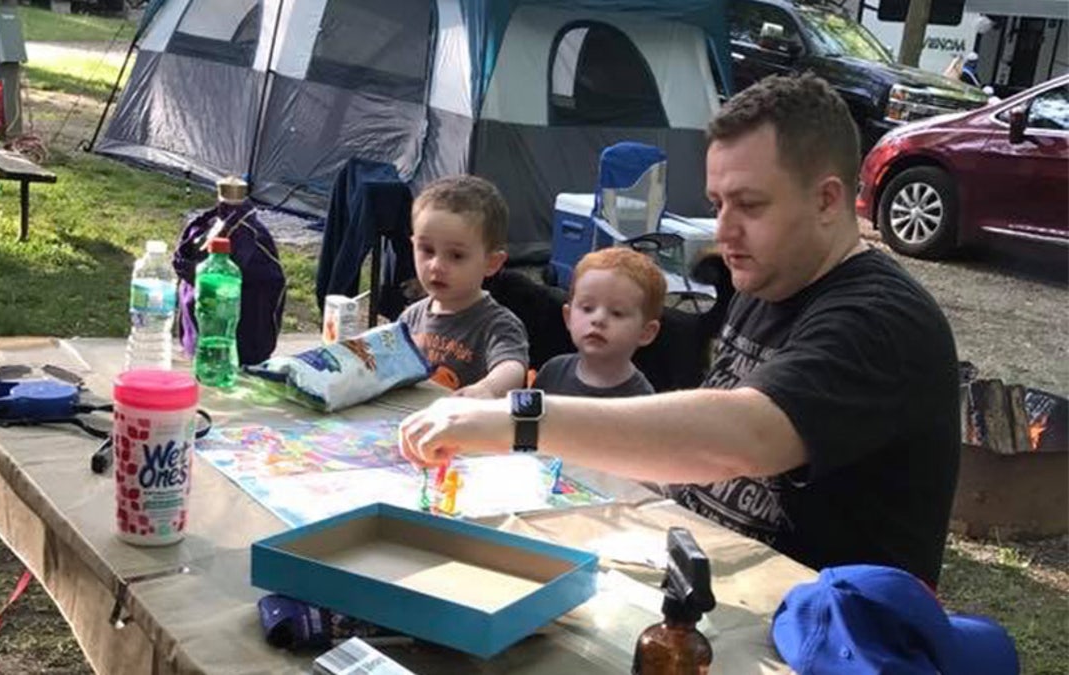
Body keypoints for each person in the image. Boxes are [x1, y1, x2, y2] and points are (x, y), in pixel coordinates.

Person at [399, 74, 960, 588]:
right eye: (718, 203)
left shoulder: (883, 320)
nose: (724, 229)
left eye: (750, 205)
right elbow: (689, 463)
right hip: (699, 578)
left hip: (822, 636)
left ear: (827, 199)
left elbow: (742, 437)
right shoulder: (767, 283)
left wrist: (515, 421)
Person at [399, 175, 529, 399]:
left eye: (456, 255)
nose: (436, 265)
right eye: (427, 250)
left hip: (466, 427)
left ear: (491, 263)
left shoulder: (497, 324)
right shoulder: (410, 317)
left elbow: (512, 367)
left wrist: (487, 389)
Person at [533, 248, 664, 397]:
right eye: (587, 308)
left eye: (617, 313)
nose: (598, 319)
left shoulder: (641, 400)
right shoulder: (553, 372)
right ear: (568, 317)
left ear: (646, 332)